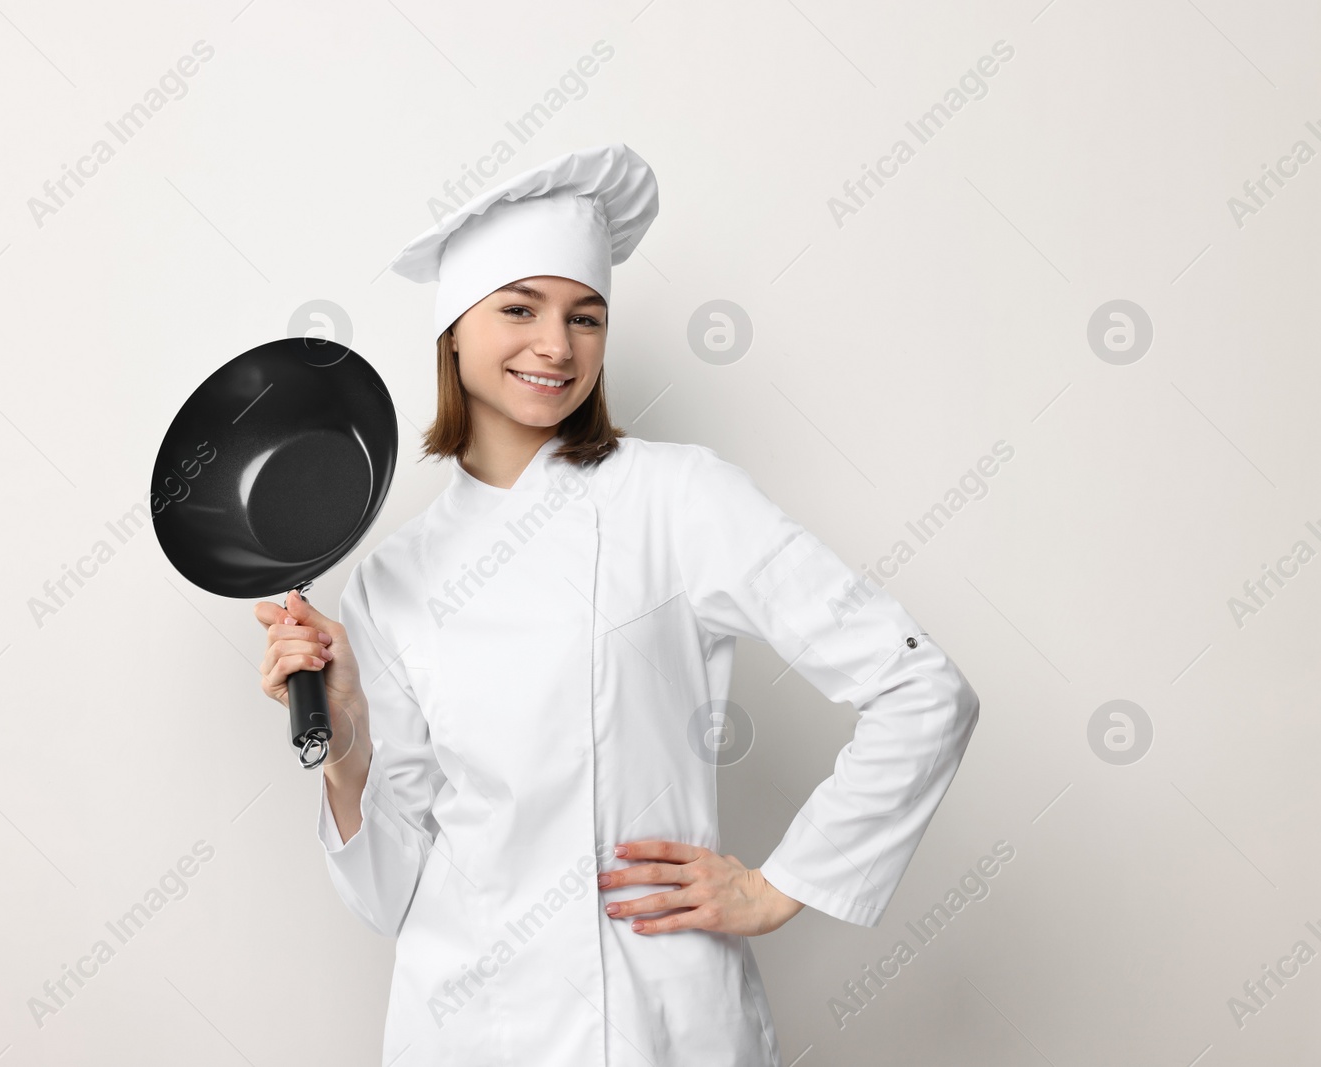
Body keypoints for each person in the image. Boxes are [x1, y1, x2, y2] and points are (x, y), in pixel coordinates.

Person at [255, 143, 981, 1066]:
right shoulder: (393, 575)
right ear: (454, 328)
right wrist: (347, 735)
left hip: (656, 1024)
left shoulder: (678, 499)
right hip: (466, 1028)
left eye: (585, 317)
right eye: (520, 308)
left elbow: (924, 689)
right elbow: (388, 889)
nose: (556, 346)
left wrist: (781, 883)